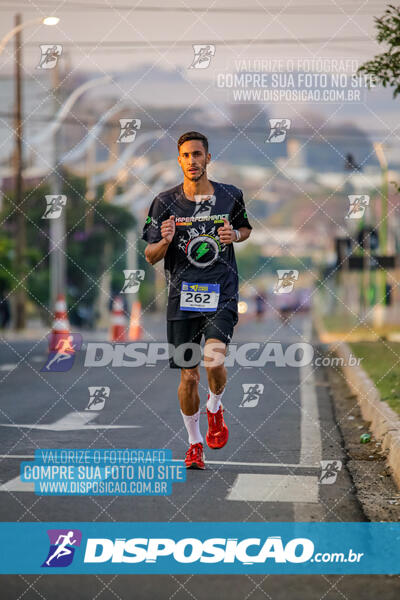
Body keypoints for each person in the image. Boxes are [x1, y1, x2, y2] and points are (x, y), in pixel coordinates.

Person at [142, 131, 252, 469]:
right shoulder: (163, 203)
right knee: (188, 376)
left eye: (198, 154)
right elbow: (149, 255)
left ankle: (215, 406)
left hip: (221, 290)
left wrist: (233, 234)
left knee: (213, 360)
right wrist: (166, 241)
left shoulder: (230, 196)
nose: (192, 161)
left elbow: (245, 229)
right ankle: (194, 443)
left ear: (207, 158)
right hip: (182, 297)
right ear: (179, 160)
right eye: (186, 155)